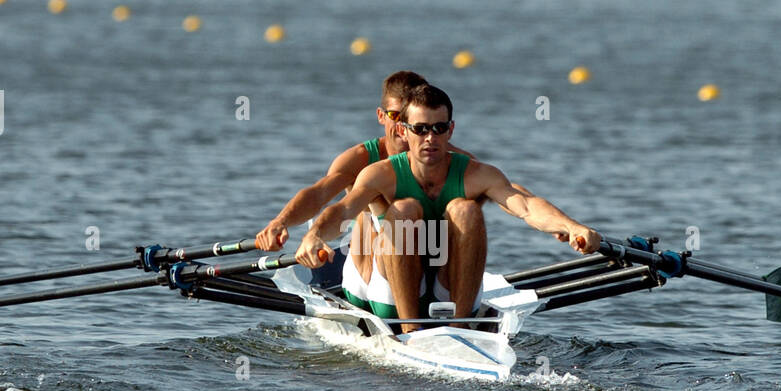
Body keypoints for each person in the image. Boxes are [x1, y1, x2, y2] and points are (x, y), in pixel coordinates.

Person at [294, 83, 602, 331]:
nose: (430, 138)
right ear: (404, 131)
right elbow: (343, 210)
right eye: (421, 129)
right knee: (404, 211)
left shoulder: (476, 174)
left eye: (439, 129)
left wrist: (573, 227)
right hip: (386, 292)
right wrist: (315, 236)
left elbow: (526, 206)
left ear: (451, 130)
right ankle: (411, 332)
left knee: (465, 210)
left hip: (446, 285)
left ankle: (460, 327)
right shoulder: (381, 174)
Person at [253, 70, 480, 317]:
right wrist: (281, 222)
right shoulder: (361, 160)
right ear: (381, 116)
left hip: (434, 274)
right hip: (371, 281)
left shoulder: (459, 162)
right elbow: (319, 194)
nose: (402, 125)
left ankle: (448, 305)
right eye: (395, 116)